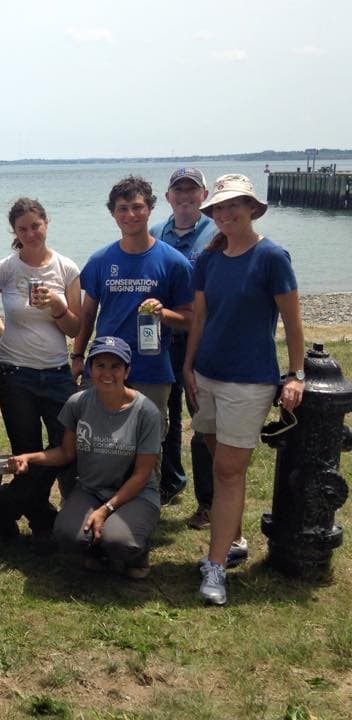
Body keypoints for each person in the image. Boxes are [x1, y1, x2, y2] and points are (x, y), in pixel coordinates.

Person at [183, 173, 305, 606]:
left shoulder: (272, 256)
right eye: (219, 207)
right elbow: (200, 318)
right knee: (217, 458)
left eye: (235, 204)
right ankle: (233, 541)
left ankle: (216, 566)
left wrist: (295, 374)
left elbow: (292, 320)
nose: (226, 213)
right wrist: (188, 366)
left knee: (229, 472)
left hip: (249, 380)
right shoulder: (207, 260)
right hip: (207, 375)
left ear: (252, 207)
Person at [73, 175, 193, 493]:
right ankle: (96, 501)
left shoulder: (174, 262)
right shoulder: (101, 260)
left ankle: (145, 507)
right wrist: (77, 355)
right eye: (123, 209)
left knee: (147, 443)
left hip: (151, 368)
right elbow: (87, 315)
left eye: (137, 207)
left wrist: (164, 314)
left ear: (150, 208)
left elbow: (192, 319)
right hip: (104, 366)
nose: (130, 215)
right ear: (113, 214)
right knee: (98, 439)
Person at [8, 337, 161, 578]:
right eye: (100, 365)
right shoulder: (78, 403)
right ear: (90, 368)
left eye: (115, 366)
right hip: (91, 490)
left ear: (127, 371)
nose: (107, 373)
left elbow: (142, 474)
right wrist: (30, 457)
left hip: (135, 494)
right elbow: (66, 453)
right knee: (67, 534)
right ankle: (98, 549)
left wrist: (106, 509)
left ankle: (135, 552)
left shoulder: (146, 412)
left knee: (120, 541)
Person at [0, 199, 81, 542]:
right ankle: (42, 519)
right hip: (15, 373)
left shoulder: (66, 268)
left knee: (64, 450)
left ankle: (3, 506)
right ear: (14, 231)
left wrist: (58, 307)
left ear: (46, 223)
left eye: (35, 226)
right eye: (22, 229)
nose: (30, 234)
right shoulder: (6, 268)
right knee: (26, 450)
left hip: (56, 373)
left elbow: (75, 328)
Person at [150, 168, 218, 519]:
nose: (186, 196)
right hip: (163, 339)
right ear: (168, 197)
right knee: (166, 414)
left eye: (193, 190)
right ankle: (171, 481)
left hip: (203, 340)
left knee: (203, 420)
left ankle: (209, 502)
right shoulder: (154, 233)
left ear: (204, 195)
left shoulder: (216, 233)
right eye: (179, 190)